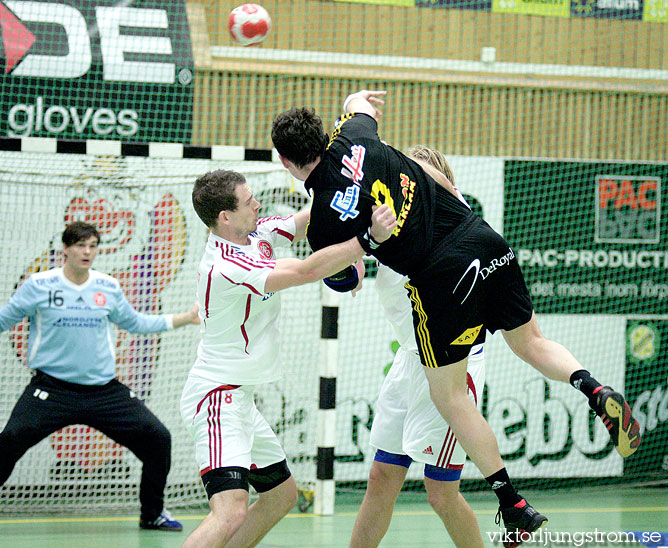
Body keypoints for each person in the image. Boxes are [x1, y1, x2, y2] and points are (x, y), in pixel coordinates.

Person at [271, 91, 641, 545]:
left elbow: (339, 272)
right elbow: (363, 116)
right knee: (384, 477)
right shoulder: (361, 141)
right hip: (462, 282)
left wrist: (356, 244)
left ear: (287, 161)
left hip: (449, 326)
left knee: (443, 478)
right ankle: (593, 387)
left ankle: (512, 502)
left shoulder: (343, 220)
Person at [180, 169, 396, 548]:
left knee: (281, 496)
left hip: (240, 398)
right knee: (230, 511)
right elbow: (305, 270)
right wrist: (366, 242)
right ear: (225, 217)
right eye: (249, 202)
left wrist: (353, 188)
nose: (258, 204)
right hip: (217, 399)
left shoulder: (257, 233)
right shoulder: (225, 266)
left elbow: (307, 218)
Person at [0, 221, 199, 534]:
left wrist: (184, 319)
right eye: (80, 246)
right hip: (51, 391)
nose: (87, 252)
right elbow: (0, 320)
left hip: (103, 392)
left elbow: (135, 323)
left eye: (92, 246)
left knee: (158, 438)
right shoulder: (39, 285)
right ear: (65, 249)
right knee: (9, 441)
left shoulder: (107, 286)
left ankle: (152, 514)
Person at [350, 146, 486, 548]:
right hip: (409, 359)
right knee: (381, 477)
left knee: (440, 492)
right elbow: (356, 240)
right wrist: (353, 257)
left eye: (421, 174)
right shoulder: (392, 216)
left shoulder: (456, 220)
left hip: (449, 366)